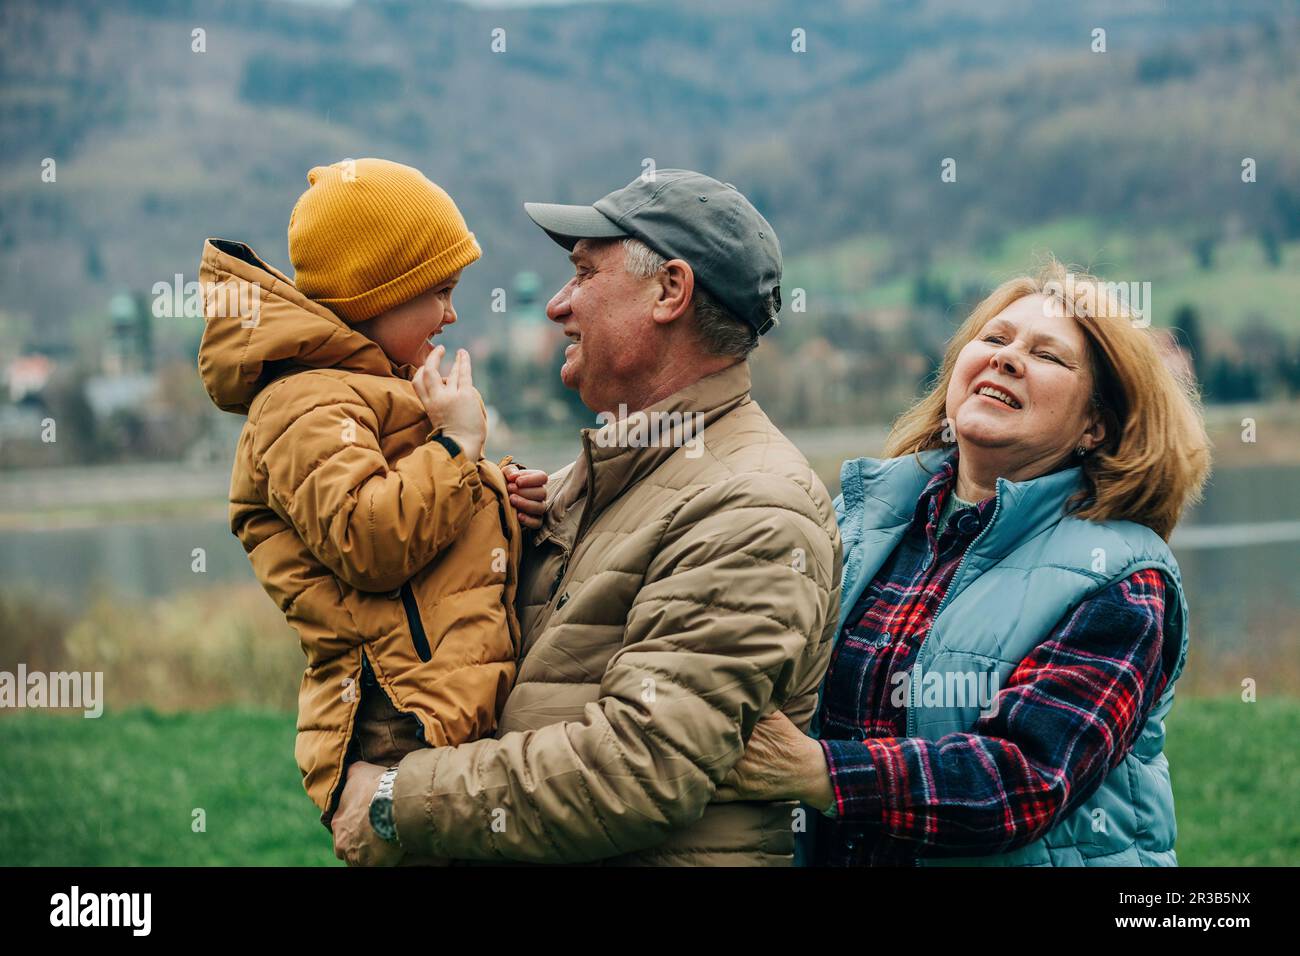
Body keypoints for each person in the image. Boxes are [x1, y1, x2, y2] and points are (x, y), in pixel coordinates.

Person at [331, 169, 842, 866]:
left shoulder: (754, 507)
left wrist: (398, 798)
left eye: (582, 273)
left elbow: (637, 769)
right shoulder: (586, 482)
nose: (557, 306)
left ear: (671, 292)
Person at [715, 260, 1212, 866]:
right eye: (995, 339)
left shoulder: (1124, 579)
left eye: (1048, 356)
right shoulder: (859, 519)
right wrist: (572, 515)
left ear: (1095, 425)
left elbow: (1023, 780)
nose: (1006, 358)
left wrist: (817, 771)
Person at [196, 158, 547, 844]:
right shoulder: (303, 404)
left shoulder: (365, 386)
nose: (451, 313)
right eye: (439, 291)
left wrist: (489, 490)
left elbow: (411, 506)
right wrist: (456, 447)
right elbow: (370, 537)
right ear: (374, 293)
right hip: (395, 720)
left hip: (433, 707)